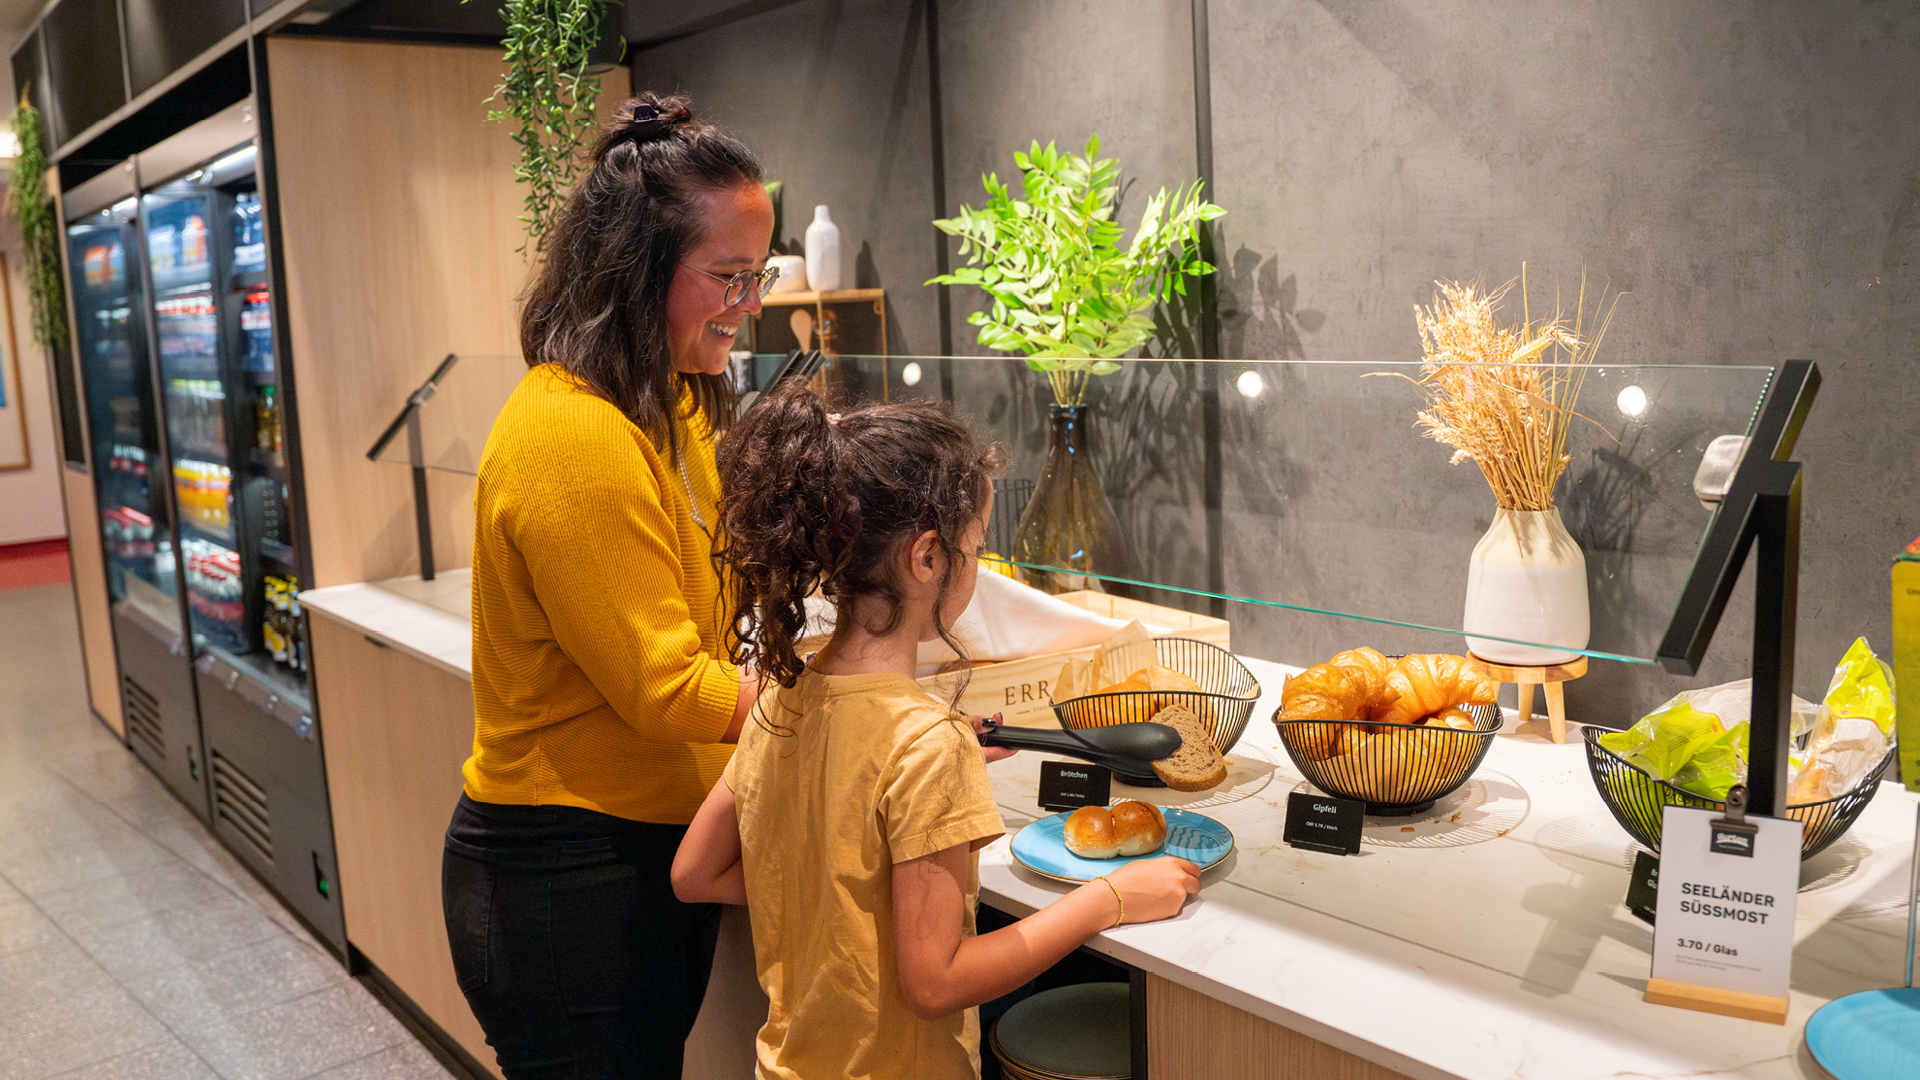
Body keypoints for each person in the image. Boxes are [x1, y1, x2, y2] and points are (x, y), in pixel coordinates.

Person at [671, 383, 1202, 1079]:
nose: (976, 567)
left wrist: (846, 897)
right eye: (976, 548)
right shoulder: (926, 742)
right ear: (926, 558)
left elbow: (695, 872)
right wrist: (1110, 899)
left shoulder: (782, 697)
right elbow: (937, 983)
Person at [441, 93, 778, 1080]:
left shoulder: (671, 400)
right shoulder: (574, 433)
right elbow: (669, 686)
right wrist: (853, 707)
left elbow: (720, 581)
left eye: (755, 278)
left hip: (638, 853)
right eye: (728, 277)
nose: (747, 304)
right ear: (637, 274)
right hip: (564, 878)